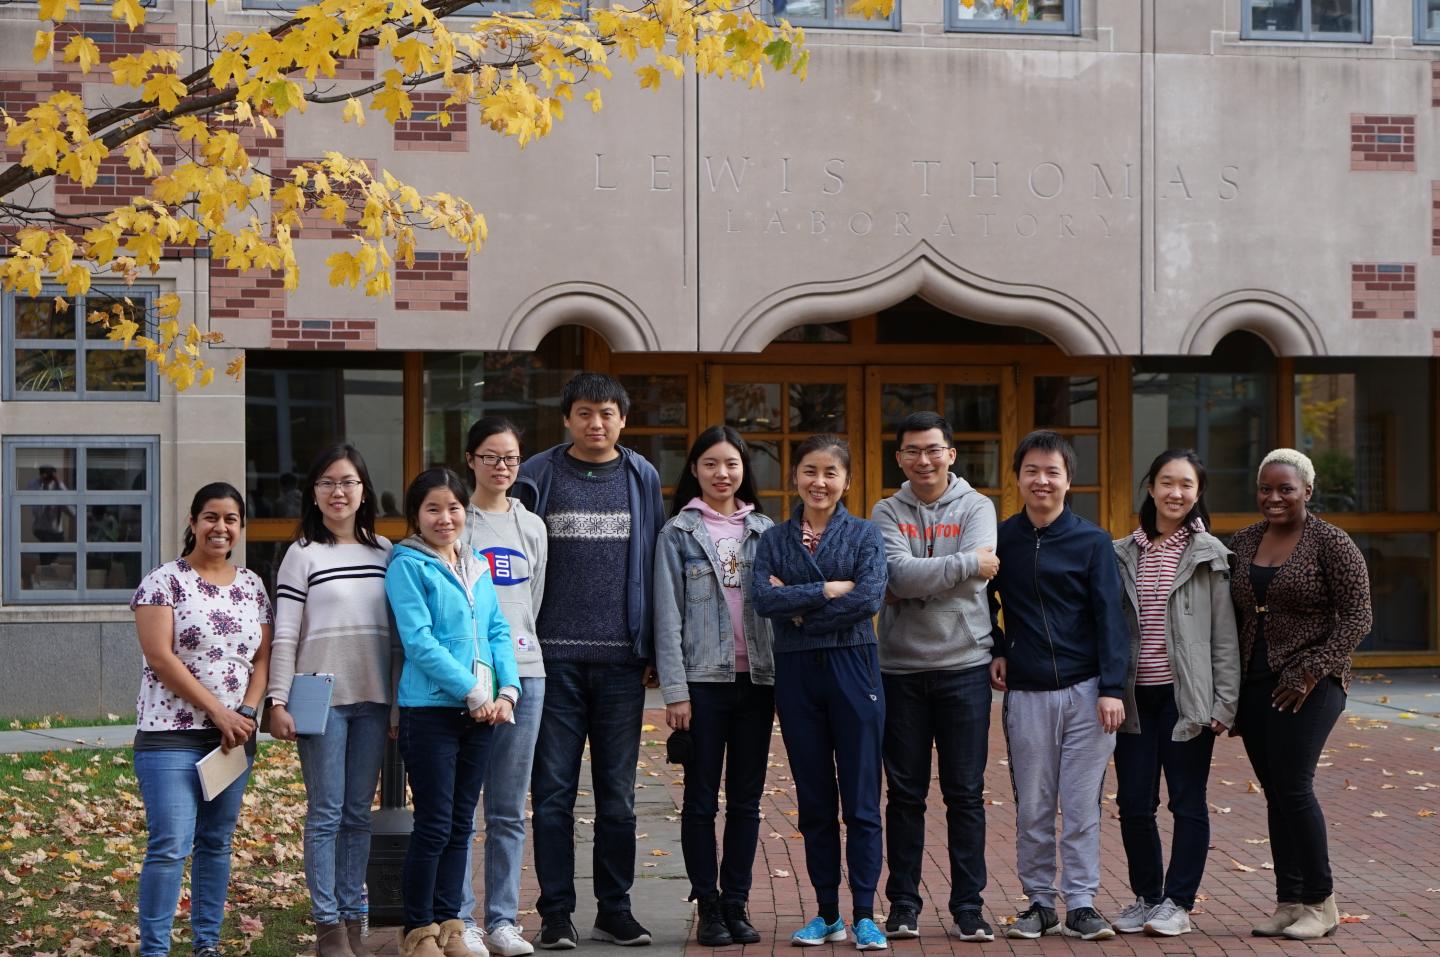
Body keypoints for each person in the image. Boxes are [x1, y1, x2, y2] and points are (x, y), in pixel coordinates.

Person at [513, 373, 665, 949]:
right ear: (567, 419)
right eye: (584, 412)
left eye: (605, 412)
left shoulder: (640, 475)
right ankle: (556, 913)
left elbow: (651, 562)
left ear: (622, 419)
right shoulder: (539, 474)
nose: (595, 423)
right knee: (551, 792)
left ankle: (615, 909)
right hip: (550, 663)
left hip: (622, 662)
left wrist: (649, 645)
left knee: (618, 796)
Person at [987, 430, 1127, 942]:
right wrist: (998, 649)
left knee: (1082, 801)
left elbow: (1111, 619)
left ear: (1069, 479)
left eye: (1052, 472)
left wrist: (1113, 688)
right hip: (1025, 694)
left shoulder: (1091, 541)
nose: (1041, 480)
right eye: (1032, 471)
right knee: (1035, 805)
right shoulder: (1002, 539)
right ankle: (1040, 903)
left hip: (1088, 692)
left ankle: (1083, 902)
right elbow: (982, 602)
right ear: (1019, 478)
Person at [752, 434, 890, 951]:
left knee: (860, 798)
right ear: (795, 478)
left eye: (831, 472)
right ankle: (827, 912)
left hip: (854, 666)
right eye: (810, 471)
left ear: (846, 481)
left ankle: (866, 913)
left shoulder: (865, 534)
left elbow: (871, 597)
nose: (819, 482)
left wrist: (799, 605)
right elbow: (763, 600)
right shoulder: (773, 539)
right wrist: (829, 589)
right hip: (795, 672)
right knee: (813, 798)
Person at [1229, 448, 1372, 941]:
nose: (1274, 497)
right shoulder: (1245, 539)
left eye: (1285, 489)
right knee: (1275, 792)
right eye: (1266, 488)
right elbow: (1239, 614)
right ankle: (1290, 901)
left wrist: (1311, 670)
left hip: (1312, 684)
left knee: (1293, 787)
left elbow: (1358, 617)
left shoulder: (1332, 542)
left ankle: (1321, 902)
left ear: (1306, 492)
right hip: (1256, 682)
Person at [869, 412, 999, 943]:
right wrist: (967, 565)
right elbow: (893, 575)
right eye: (911, 451)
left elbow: (906, 582)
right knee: (904, 795)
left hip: (964, 666)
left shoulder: (977, 506)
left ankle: (969, 907)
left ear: (950, 454)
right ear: (899, 458)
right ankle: (903, 905)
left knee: (965, 794)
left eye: (932, 449)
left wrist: (912, 583)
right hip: (899, 669)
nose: (923, 460)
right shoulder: (884, 510)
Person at [130, 482, 272, 957]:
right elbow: (160, 657)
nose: (221, 527)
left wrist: (247, 713)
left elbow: (263, 660)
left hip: (232, 741)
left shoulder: (252, 585)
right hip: (170, 736)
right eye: (211, 517)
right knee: (171, 845)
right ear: (192, 523)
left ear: (240, 528)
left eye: (231, 519)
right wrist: (219, 710)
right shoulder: (164, 580)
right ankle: (154, 950)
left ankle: (206, 945)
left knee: (216, 843)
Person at [386, 468, 521, 957]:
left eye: (454, 507)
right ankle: (417, 931)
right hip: (430, 713)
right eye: (433, 509)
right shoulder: (407, 565)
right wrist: (471, 691)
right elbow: (418, 642)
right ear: (416, 516)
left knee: (464, 824)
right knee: (435, 824)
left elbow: (498, 632)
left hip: (483, 713)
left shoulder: (477, 564)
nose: (445, 518)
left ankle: (450, 926)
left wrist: (507, 690)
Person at [267, 444, 395, 957]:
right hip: (320, 697)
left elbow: (400, 636)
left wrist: (400, 704)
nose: (338, 492)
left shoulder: (386, 552)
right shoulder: (302, 553)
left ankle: (354, 918)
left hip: (375, 698)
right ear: (313, 493)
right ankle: (328, 927)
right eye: (326, 483)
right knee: (326, 813)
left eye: (347, 482)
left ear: (364, 490)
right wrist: (277, 700)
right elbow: (284, 635)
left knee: (358, 816)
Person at [654, 427, 777, 947]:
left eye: (730, 464)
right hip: (703, 683)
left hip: (759, 681)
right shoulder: (676, 533)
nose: (721, 473)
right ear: (695, 471)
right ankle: (707, 905)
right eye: (710, 464)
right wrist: (675, 692)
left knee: (746, 801)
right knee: (701, 800)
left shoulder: (767, 531)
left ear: (743, 468)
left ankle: (737, 903)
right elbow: (667, 615)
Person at [1110, 450, 1240, 937]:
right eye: (1167, 482)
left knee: (1187, 801)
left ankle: (1178, 902)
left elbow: (1225, 636)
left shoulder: (1211, 555)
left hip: (1189, 699)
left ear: (1198, 493)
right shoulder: (1123, 551)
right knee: (1134, 803)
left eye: (1186, 485)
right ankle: (1147, 896)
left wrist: (1224, 703)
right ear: (1150, 487)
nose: (1176, 493)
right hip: (1133, 699)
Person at [456, 418, 550, 957]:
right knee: (464, 806)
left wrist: (514, 659)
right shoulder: (456, 521)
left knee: (510, 808)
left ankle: (502, 920)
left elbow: (531, 601)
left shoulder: (532, 526)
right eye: (490, 456)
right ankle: (462, 918)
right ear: (471, 459)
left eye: (510, 458)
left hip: (525, 674)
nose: (501, 467)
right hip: (469, 680)